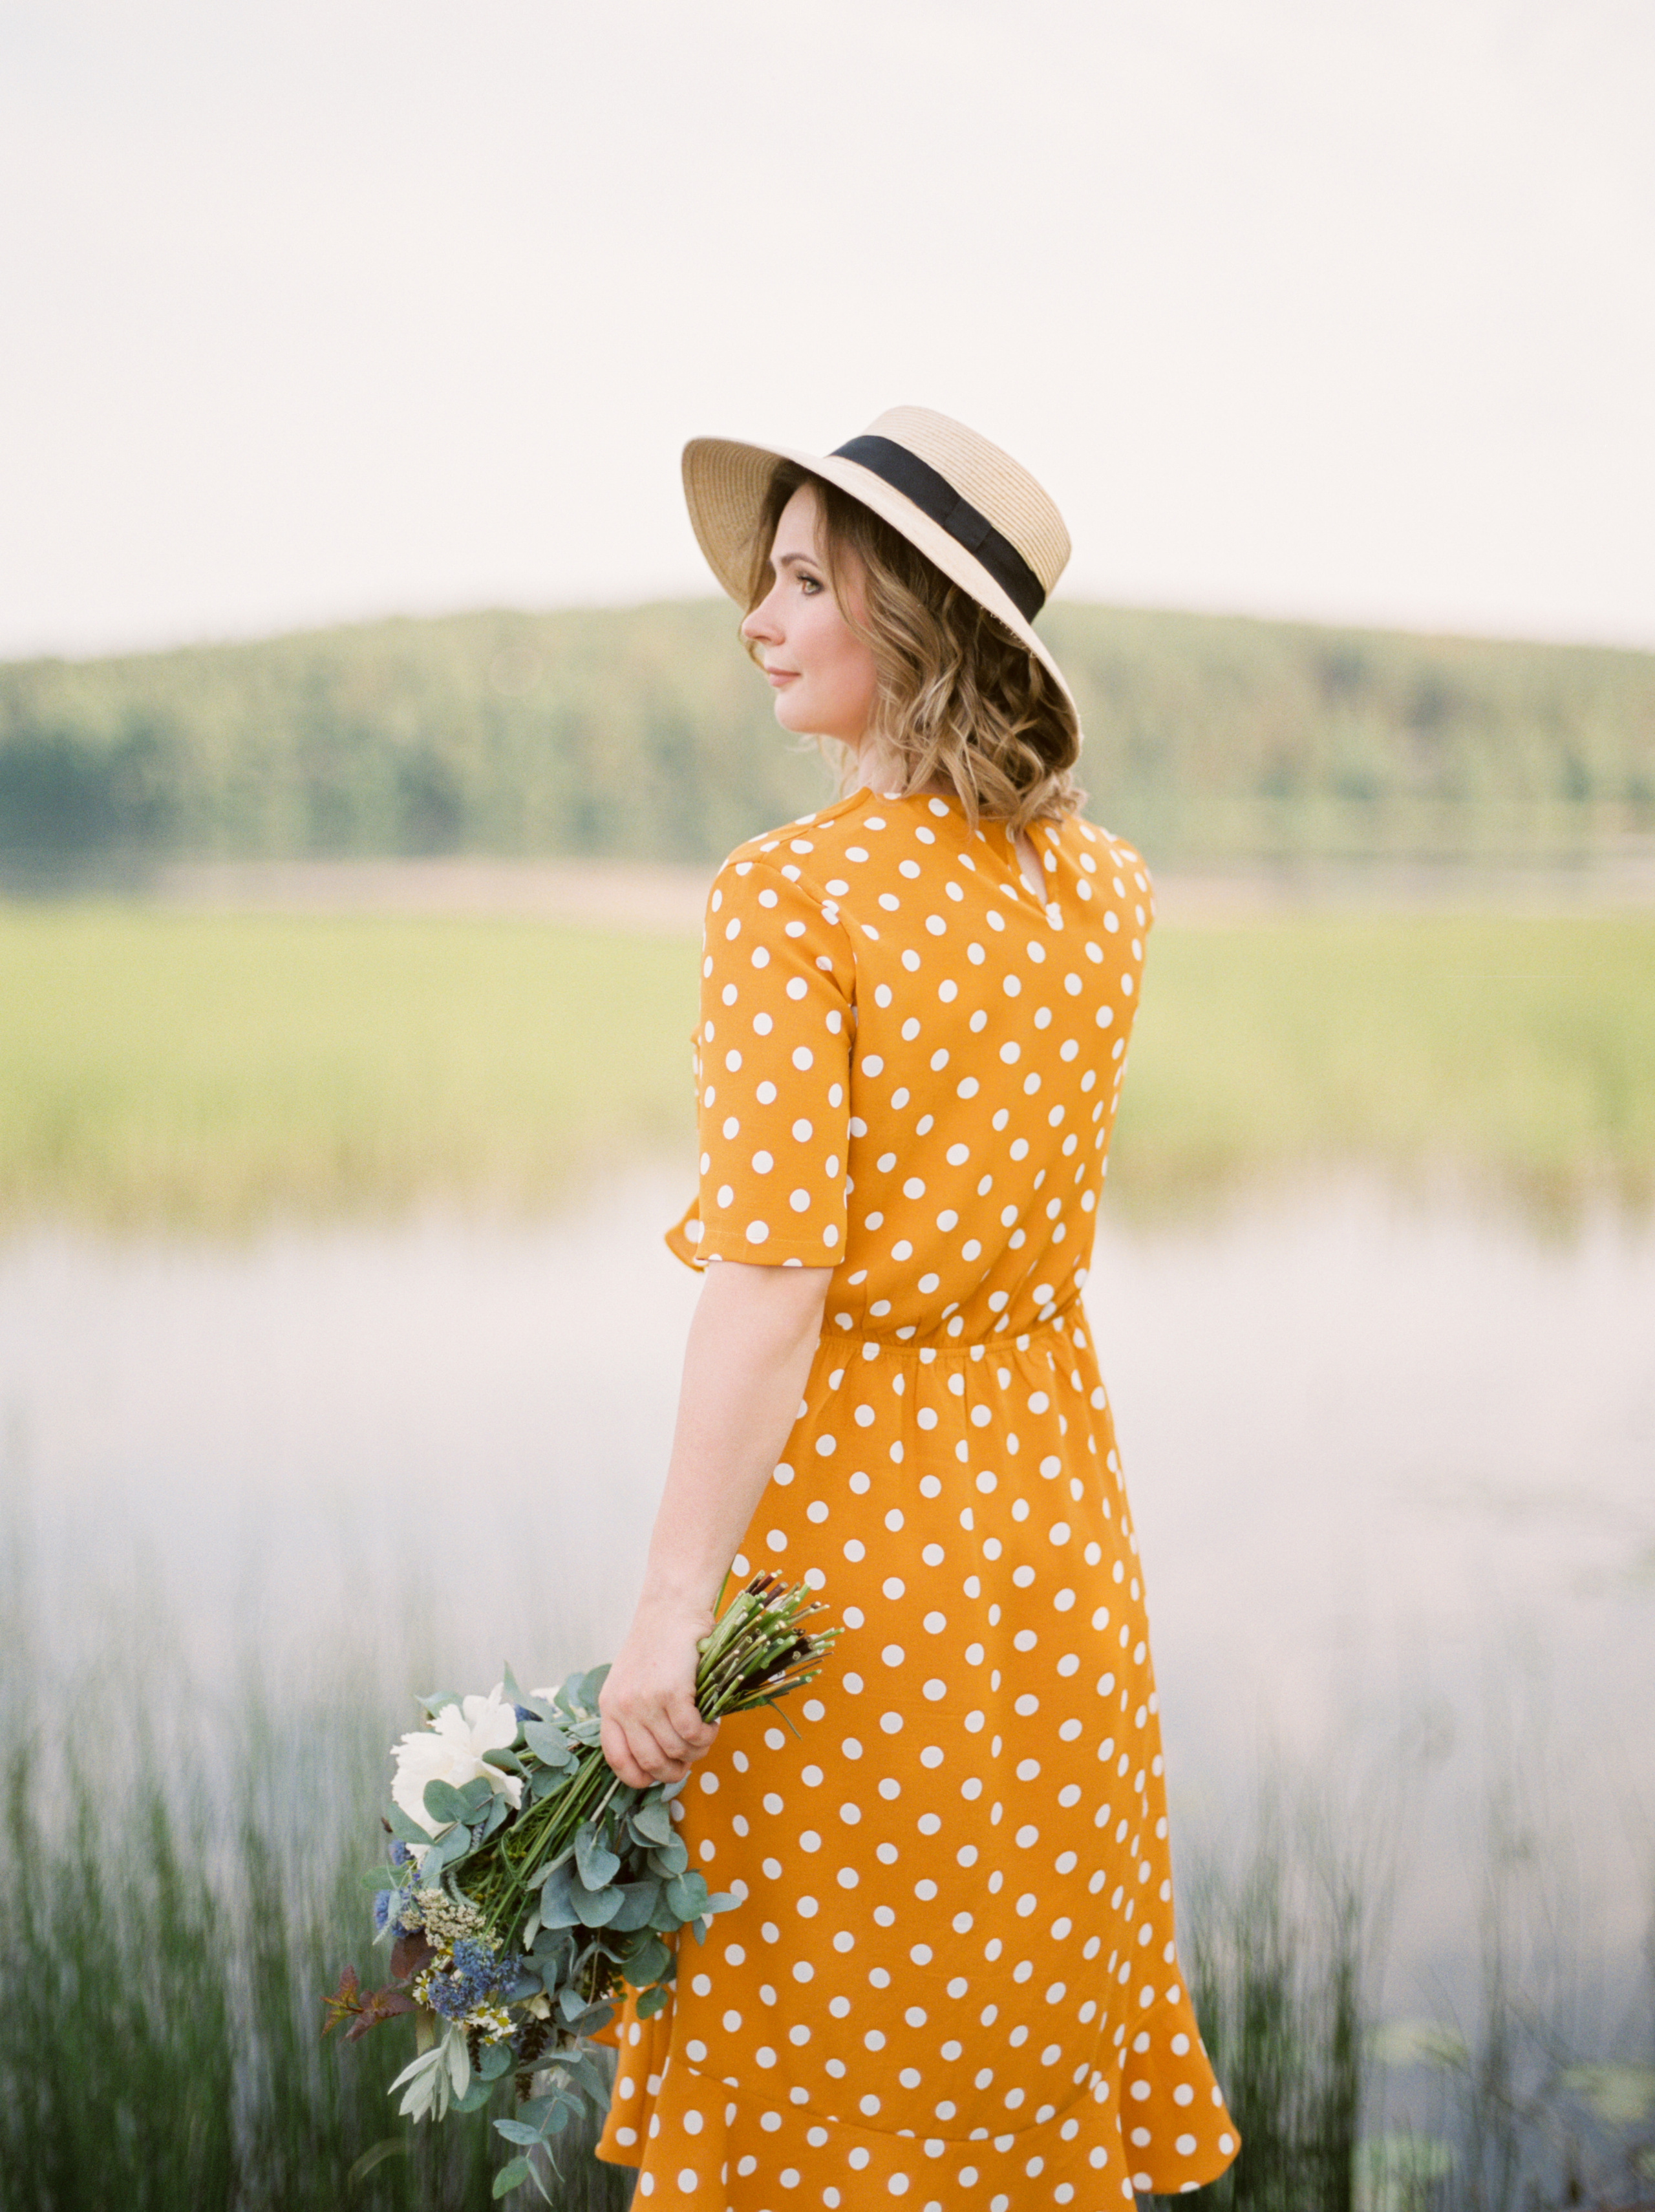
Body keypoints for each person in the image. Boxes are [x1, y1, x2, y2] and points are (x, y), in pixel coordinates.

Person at [595, 407, 1239, 2207]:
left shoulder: (792, 897)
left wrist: (670, 1611)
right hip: (1048, 1528)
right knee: (1009, 1996)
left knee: (819, 2028)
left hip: (856, 1541)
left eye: (805, 580)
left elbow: (773, 1279)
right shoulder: (1103, 889)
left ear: (916, 614)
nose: (757, 617)